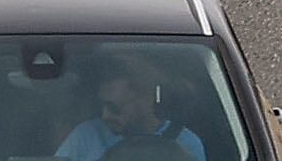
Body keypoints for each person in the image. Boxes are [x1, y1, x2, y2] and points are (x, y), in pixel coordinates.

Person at [53, 58, 208, 161]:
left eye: (114, 107)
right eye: (103, 106)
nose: (105, 115)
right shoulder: (85, 136)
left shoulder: (186, 143)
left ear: (143, 98)